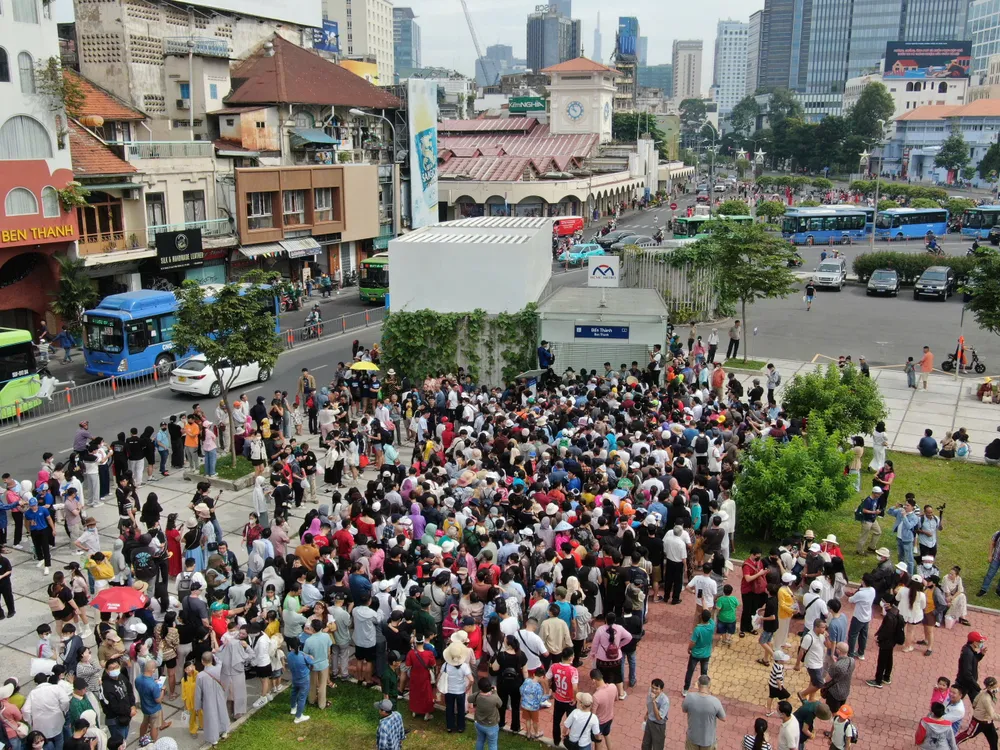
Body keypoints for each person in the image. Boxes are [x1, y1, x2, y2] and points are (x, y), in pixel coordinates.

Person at [866, 595, 904, 688]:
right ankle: (886, 677)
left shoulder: (889, 617)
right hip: (892, 641)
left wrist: (879, 639)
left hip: (886, 642)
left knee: (881, 661)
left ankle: (878, 681)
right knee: (889, 658)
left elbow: (886, 630)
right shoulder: (896, 612)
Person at [194, 652, 229, 745]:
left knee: (211, 717)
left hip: (208, 698)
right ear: (212, 660)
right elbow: (220, 661)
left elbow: (198, 693)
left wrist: (197, 706)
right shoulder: (218, 668)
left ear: (202, 662)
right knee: (222, 712)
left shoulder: (200, 675)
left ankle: (213, 738)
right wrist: (214, 655)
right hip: (219, 695)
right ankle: (224, 731)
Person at [683, 675, 725, 750]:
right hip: (708, 740)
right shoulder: (715, 701)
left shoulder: (689, 697)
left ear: (698, 684)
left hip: (692, 737)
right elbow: (723, 718)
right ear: (709, 685)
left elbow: (684, 710)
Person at [956, 676, 999, 749]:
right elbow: (992, 714)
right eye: (994, 686)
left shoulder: (983, 692)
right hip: (979, 722)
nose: (997, 688)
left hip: (988, 722)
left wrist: (977, 710)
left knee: (994, 739)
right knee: (968, 734)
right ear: (988, 687)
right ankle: (952, 742)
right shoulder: (986, 699)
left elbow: (975, 702)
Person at [683, 609, 715, 696]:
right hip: (706, 654)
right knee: (704, 673)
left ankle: (686, 689)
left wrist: (689, 649)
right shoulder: (712, 625)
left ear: (701, 617)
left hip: (696, 654)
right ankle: (703, 690)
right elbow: (708, 613)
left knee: (690, 671)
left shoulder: (698, 629)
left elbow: (692, 642)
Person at [470, 678, 502, 750]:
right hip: (491, 725)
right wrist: (495, 692)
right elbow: (500, 704)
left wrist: (479, 692)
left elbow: (469, 699)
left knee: (480, 741)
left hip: (479, 723)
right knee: (492, 745)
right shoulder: (494, 698)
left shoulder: (477, 695)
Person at [641, 678, 669, 750]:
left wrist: (654, 701)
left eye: (656, 689)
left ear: (661, 690)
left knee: (657, 746)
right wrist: (647, 713)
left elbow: (659, 717)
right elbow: (649, 704)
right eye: (652, 687)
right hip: (650, 722)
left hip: (658, 726)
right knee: (645, 744)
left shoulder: (665, 701)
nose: (653, 690)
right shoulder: (650, 691)